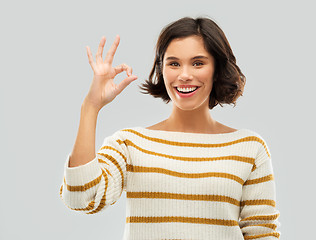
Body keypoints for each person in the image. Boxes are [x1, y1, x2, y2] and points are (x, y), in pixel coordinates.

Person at [59, 16, 281, 239]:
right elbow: (82, 198)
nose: (184, 75)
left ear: (217, 69)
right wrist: (90, 107)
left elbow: (262, 233)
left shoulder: (249, 148)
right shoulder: (130, 144)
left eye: (198, 63)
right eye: (174, 63)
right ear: (161, 70)